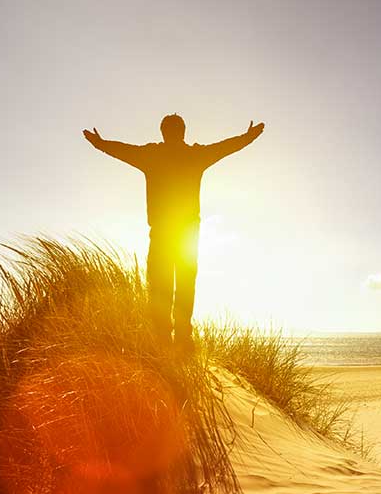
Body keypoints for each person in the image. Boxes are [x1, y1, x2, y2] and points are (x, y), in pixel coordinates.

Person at [83, 114, 264, 345]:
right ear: (183, 131)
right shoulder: (195, 155)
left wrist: (99, 143)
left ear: (163, 132)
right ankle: (182, 338)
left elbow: (122, 151)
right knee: (184, 286)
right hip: (187, 234)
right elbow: (225, 148)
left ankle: (164, 338)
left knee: (161, 286)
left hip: (163, 233)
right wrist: (248, 137)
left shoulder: (152, 155)